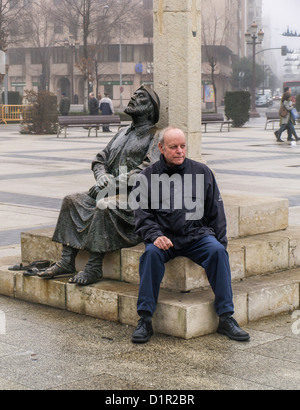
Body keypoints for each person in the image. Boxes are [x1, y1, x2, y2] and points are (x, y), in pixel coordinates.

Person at [131, 126, 250, 344]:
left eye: (182, 146)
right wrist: (155, 235)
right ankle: (145, 319)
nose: (179, 151)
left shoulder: (202, 172)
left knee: (216, 252)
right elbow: (142, 214)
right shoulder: (146, 176)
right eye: (173, 147)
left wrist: (220, 243)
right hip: (164, 238)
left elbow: (217, 213)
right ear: (161, 148)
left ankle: (226, 317)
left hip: (196, 235)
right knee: (149, 255)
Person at [38, 85, 161, 286]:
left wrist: (112, 185)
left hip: (134, 199)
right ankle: (67, 261)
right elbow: (100, 159)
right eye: (134, 95)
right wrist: (102, 176)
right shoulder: (121, 133)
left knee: (104, 207)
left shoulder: (156, 135)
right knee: (71, 200)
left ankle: (94, 267)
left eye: (140, 97)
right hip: (107, 190)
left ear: (150, 108)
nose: (133, 98)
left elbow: (148, 168)